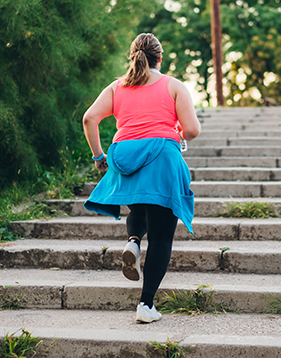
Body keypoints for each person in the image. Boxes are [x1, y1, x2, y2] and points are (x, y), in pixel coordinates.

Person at [82, 33, 201, 323]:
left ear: (132, 56)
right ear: (160, 58)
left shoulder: (116, 87)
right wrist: (179, 136)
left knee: (138, 207)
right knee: (161, 238)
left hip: (125, 156)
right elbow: (193, 129)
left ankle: (133, 241)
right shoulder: (173, 86)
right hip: (161, 157)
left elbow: (89, 119)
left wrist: (99, 157)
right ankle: (146, 306)